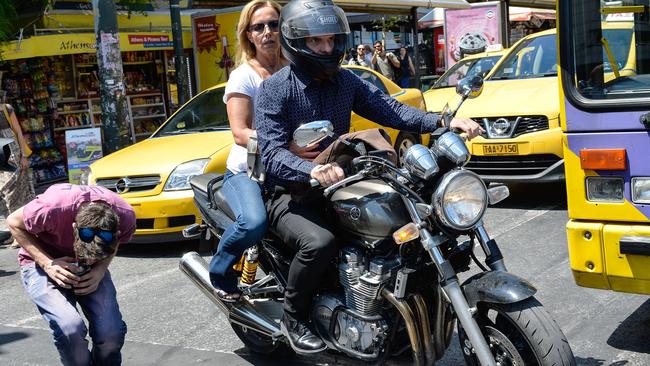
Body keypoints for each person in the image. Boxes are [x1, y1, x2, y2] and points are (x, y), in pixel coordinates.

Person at [255, 0, 484, 354]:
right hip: (290, 191)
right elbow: (270, 152)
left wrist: (442, 121)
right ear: (295, 41)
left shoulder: (346, 81)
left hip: (339, 184)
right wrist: (310, 168)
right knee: (319, 243)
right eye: (317, 42)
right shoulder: (276, 88)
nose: (327, 49)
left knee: (399, 225)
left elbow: (389, 108)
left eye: (332, 40)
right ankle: (293, 317)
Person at [209, 0, 299, 302]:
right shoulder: (244, 76)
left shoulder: (295, 68)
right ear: (248, 34)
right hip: (248, 171)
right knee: (254, 223)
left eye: (273, 24)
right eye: (258, 27)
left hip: (291, 165)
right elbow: (239, 132)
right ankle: (220, 273)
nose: (267, 32)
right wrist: (280, 145)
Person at [7, 183, 136, 366]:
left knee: (111, 332)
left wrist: (99, 269)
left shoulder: (125, 216)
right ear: (74, 227)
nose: (88, 262)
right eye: (85, 256)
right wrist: (48, 263)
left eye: (94, 258)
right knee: (69, 328)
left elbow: (117, 241)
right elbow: (13, 222)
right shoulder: (51, 208)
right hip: (43, 260)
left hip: (91, 270)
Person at [0, 101, 35, 246]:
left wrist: (24, 156)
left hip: (10, 152)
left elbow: (18, 131)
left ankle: (21, 233)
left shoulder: (5, 108)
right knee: (2, 196)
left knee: (13, 192)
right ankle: (14, 231)